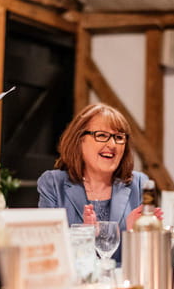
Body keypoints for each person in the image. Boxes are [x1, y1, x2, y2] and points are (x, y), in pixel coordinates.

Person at [37, 103, 162, 264]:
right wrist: (83, 235)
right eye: (102, 135)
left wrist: (134, 232)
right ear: (79, 140)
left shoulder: (139, 184)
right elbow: (46, 250)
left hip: (120, 285)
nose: (112, 145)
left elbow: (148, 259)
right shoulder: (53, 183)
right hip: (75, 286)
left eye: (119, 137)